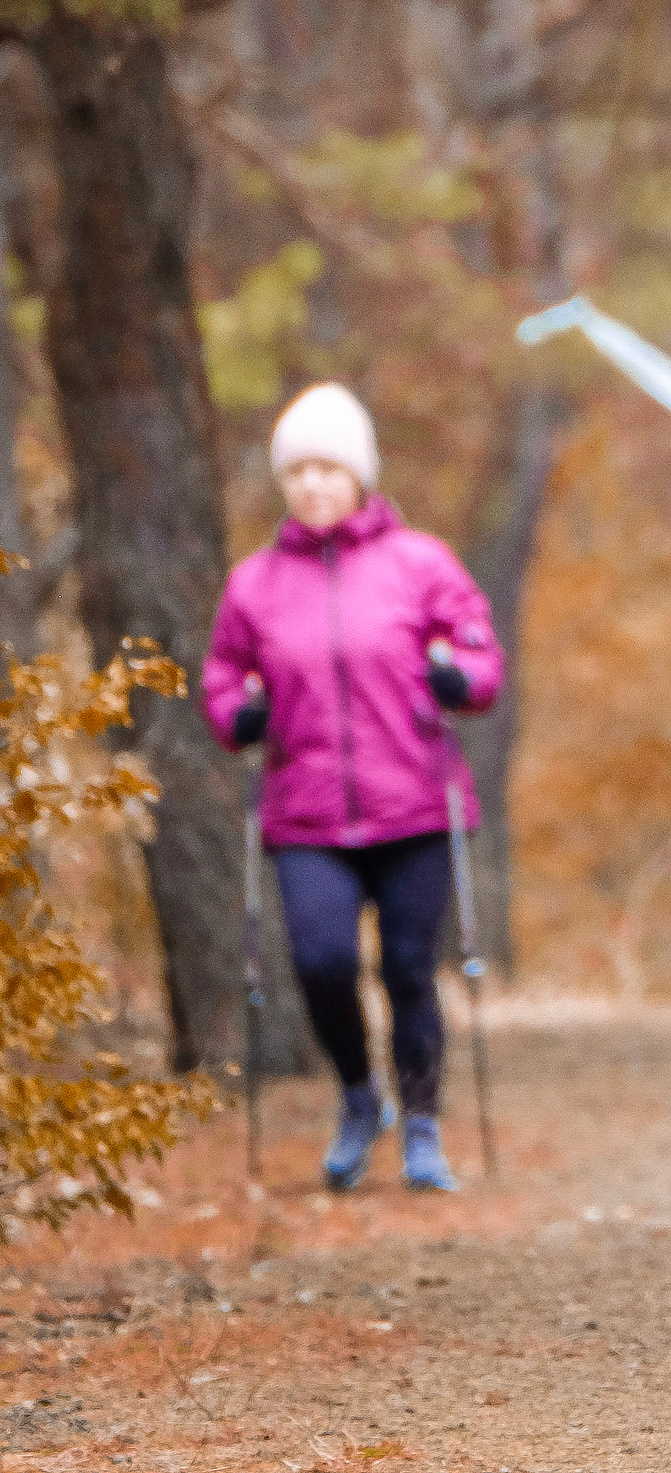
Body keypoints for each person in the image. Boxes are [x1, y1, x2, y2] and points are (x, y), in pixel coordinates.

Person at [203, 382, 504, 1196]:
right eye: (297, 470)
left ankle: (423, 1126)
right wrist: (240, 711)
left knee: (410, 967)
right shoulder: (254, 583)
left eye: (328, 467)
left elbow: (482, 658)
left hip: (413, 803)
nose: (312, 484)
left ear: (360, 474)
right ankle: (357, 1096)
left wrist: (457, 676)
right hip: (307, 814)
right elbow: (223, 674)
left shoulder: (420, 563)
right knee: (322, 960)